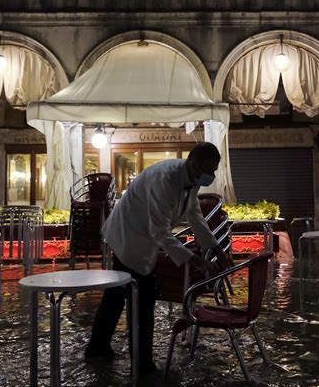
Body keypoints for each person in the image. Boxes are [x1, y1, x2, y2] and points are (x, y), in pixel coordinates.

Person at [84, 142, 233, 374]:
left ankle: (97, 348)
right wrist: (195, 260)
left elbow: (194, 215)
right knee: (142, 299)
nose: (211, 175)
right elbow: (160, 232)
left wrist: (215, 248)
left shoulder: (191, 180)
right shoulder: (164, 180)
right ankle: (142, 365)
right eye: (209, 170)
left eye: (214, 170)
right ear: (193, 164)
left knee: (116, 294)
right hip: (128, 236)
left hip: (139, 238)